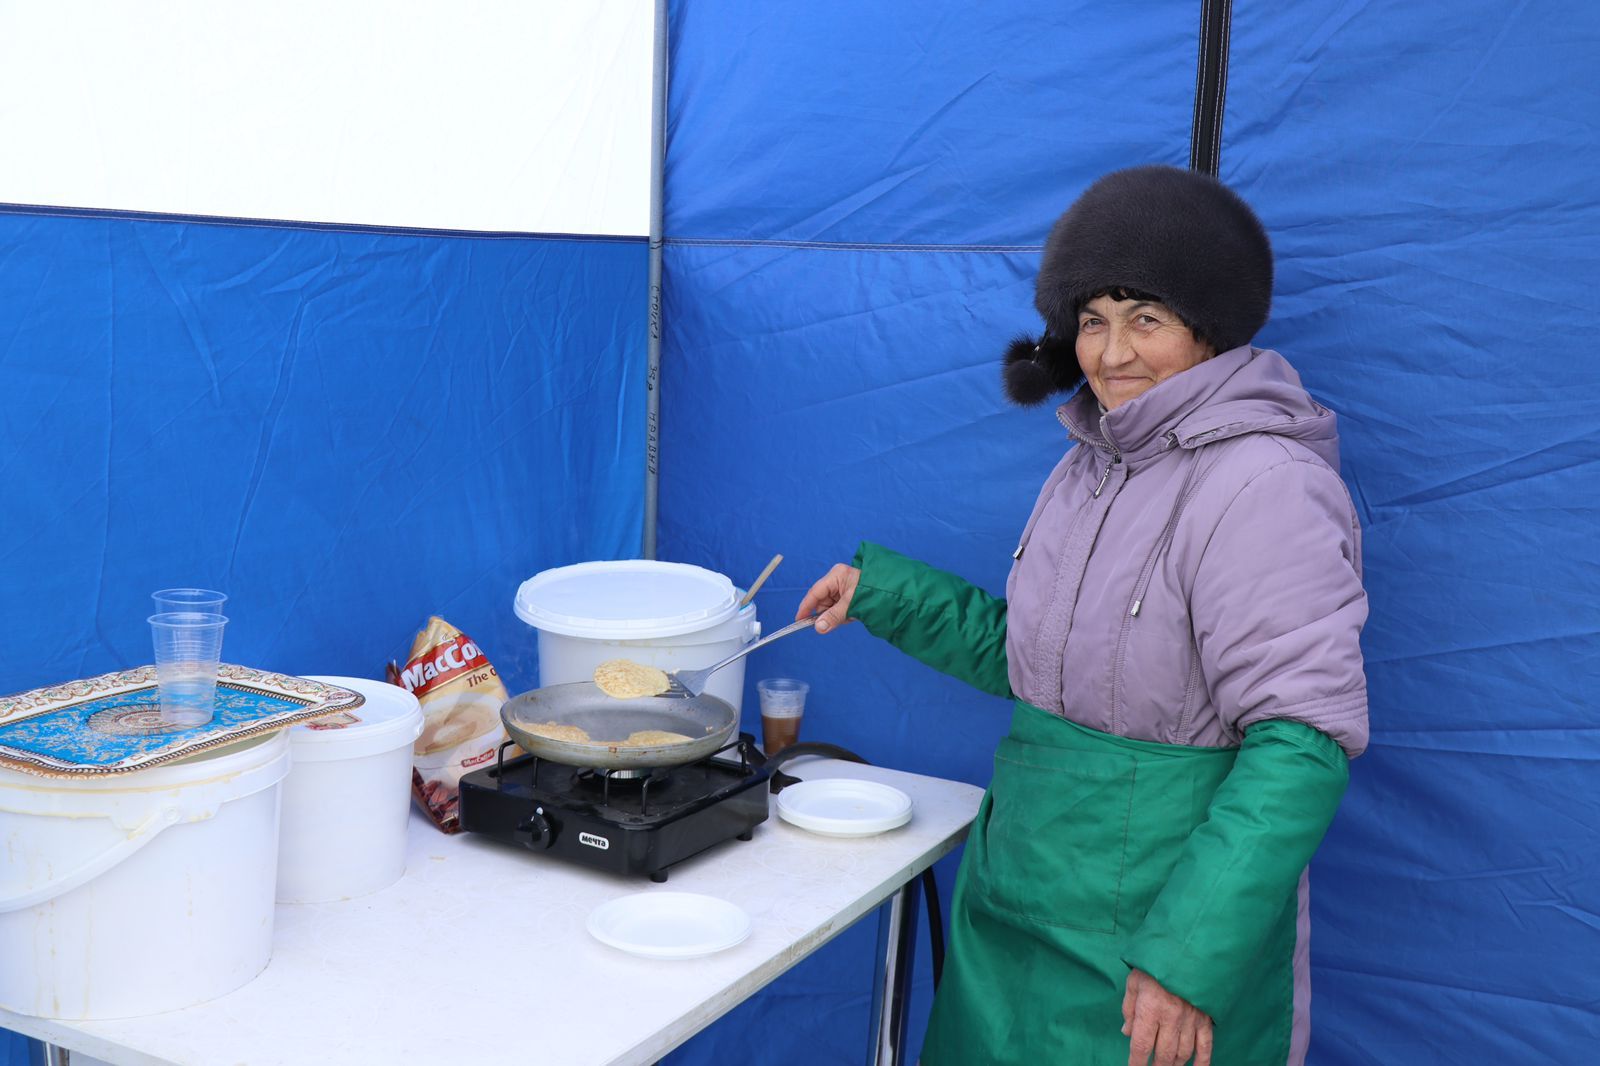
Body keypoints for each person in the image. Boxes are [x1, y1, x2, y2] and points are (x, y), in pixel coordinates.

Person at [798, 165, 1368, 1066]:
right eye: (1093, 320)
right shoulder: (1091, 463)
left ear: (1208, 326)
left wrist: (1187, 959)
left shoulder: (1268, 486)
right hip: (1016, 906)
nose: (1112, 354)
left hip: (1150, 936)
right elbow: (1049, 667)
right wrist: (886, 596)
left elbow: (1301, 747)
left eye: (1146, 318)